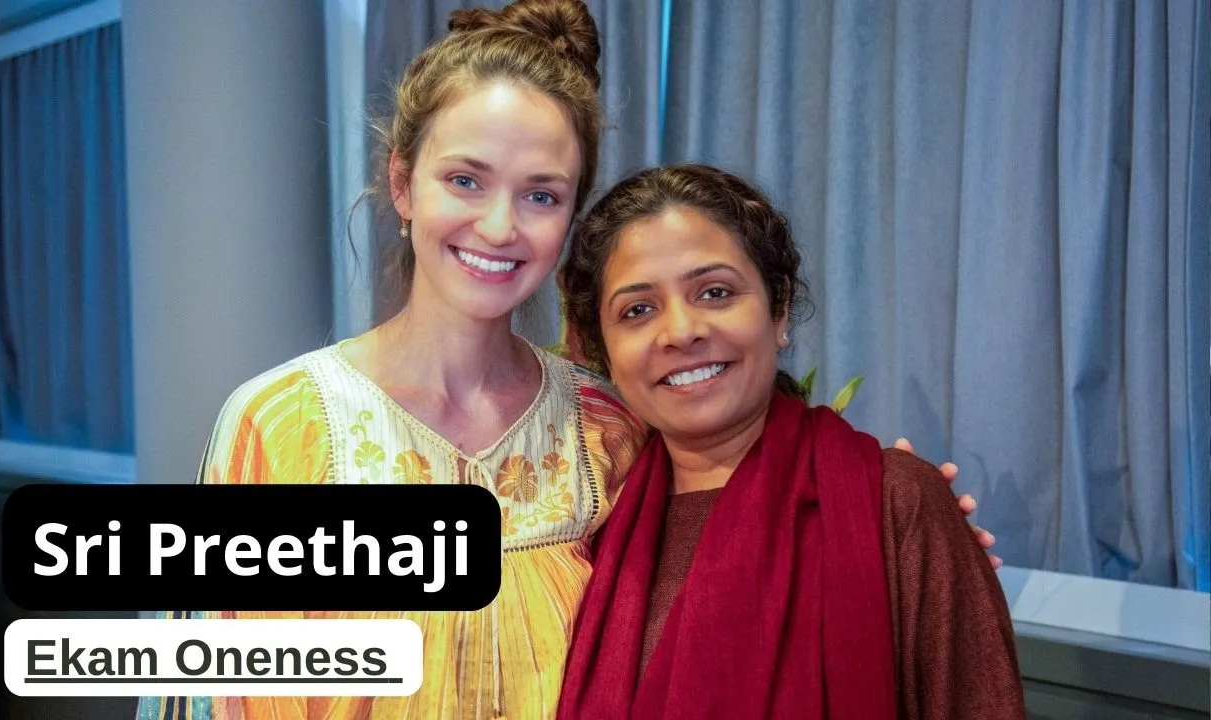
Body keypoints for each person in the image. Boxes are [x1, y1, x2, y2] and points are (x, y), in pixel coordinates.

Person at [138, 3, 995, 719]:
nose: (499, 226)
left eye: (541, 195)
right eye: (465, 180)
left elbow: (730, 557)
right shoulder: (281, 425)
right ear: (402, 184)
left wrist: (892, 523)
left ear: (569, 218)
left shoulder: (606, 429)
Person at [556, 164, 1025, 719]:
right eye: (638, 310)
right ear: (602, 350)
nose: (681, 331)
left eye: (714, 292)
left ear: (777, 309)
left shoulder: (892, 502)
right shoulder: (585, 521)